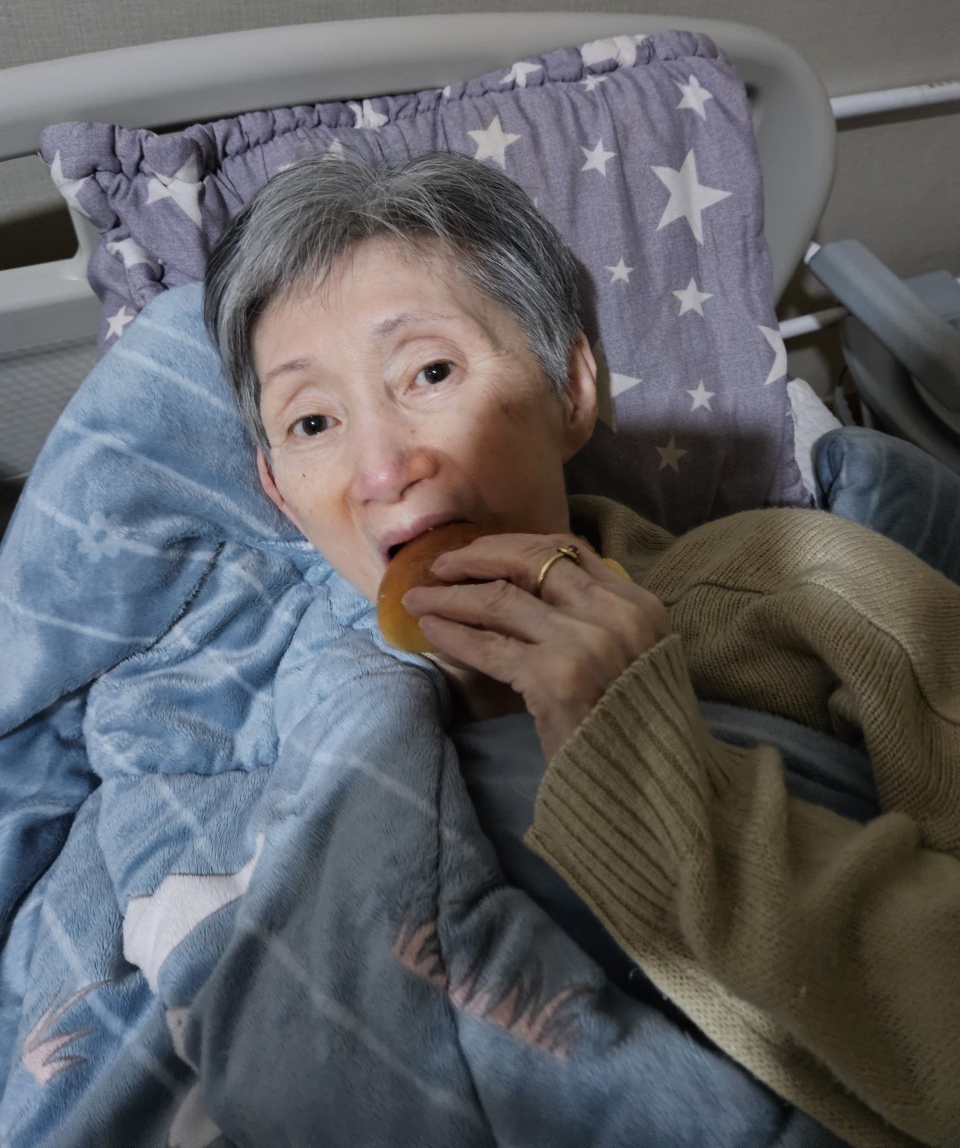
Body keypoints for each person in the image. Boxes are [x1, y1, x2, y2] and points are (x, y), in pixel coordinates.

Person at [204, 150, 960, 1148]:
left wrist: (650, 771)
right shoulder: (269, 738)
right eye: (313, 421)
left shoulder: (802, 588)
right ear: (279, 493)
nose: (384, 469)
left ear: (571, 388)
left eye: (431, 371)